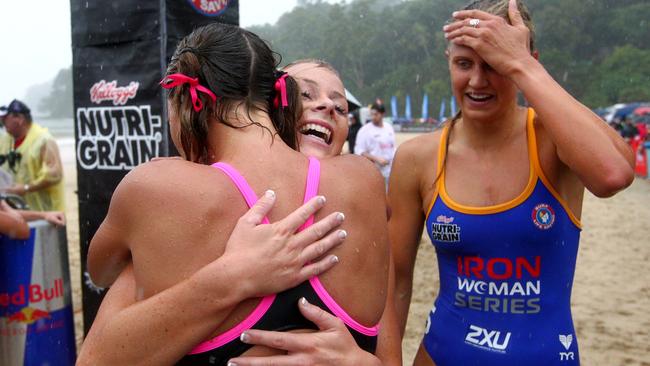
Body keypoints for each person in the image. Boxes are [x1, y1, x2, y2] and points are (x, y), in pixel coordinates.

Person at [78, 25, 390, 366]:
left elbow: (101, 272)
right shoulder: (365, 181)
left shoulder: (159, 188)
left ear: (185, 100)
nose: (325, 107)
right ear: (276, 102)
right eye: (308, 96)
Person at [390, 0, 635, 365]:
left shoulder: (554, 140)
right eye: (463, 63)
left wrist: (521, 65)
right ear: (448, 61)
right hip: (440, 355)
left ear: (528, 61)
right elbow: (395, 282)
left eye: (494, 64)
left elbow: (613, 174)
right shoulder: (418, 158)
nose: (476, 81)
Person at [0, 99, 64, 211]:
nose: (2, 122)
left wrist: (26, 188)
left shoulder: (44, 140)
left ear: (19, 119)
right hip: (16, 209)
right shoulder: (6, 140)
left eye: (5, 118)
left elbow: (54, 174)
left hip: (46, 212)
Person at [355, 103, 396, 185]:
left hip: (389, 172)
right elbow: (359, 151)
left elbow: (393, 147)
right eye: (371, 114)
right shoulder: (365, 130)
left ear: (382, 114)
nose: (373, 117)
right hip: (373, 173)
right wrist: (377, 159)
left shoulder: (389, 128)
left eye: (376, 114)